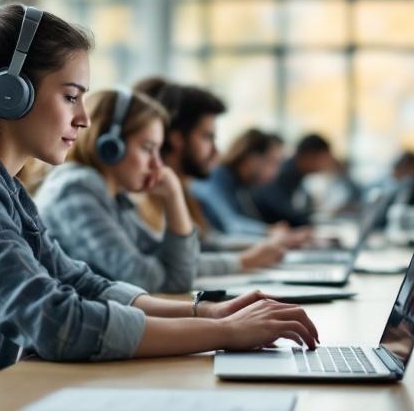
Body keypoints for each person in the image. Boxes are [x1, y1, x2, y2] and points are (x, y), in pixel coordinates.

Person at [0, 0, 319, 411]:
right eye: (70, 96)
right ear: (9, 93)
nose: (83, 119)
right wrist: (225, 335)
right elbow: (54, 322)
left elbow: (75, 281)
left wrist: (206, 315)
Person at [36, 89, 200, 293]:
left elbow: (176, 269)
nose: (158, 164)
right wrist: (174, 198)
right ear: (111, 145)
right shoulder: (74, 191)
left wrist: (173, 197)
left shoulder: (112, 196)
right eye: (148, 148)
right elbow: (152, 280)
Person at [133, 78, 292, 275]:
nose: (217, 152)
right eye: (207, 137)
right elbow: (171, 268)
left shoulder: (184, 189)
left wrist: (263, 247)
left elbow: (206, 241)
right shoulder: (143, 195)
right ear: (177, 138)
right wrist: (246, 259)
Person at [191, 128, 294, 237]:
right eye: (273, 162)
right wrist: (268, 231)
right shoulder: (215, 178)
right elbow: (229, 225)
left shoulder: (242, 186)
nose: (276, 172)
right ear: (251, 158)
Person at [250, 133, 335, 228]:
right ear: (310, 156)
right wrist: (315, 221)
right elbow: (282, 212)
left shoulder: (297, 175)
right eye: (324, 158)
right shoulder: (283, 171)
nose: (327, 163)